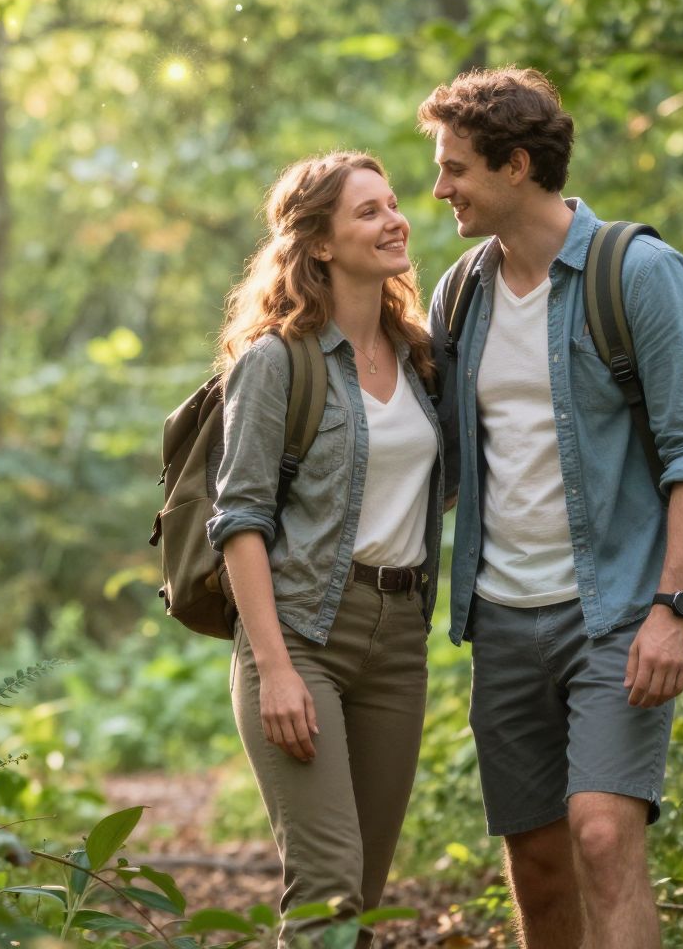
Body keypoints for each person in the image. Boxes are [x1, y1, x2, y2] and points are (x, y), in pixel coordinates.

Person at [421, 68, 683, 948]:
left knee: (602, 835)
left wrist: (672, 610)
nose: (440, 189)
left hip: (616, 612)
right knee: (538, 858)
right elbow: (436, 456)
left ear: (515, 166)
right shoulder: (463, 291)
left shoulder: (638, 272)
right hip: (503, 618)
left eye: (455, 169)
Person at [206, 150, 446, 940]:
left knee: (362, 897)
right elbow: (239, 520)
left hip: (400, 641)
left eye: (395, 203)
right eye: (368, 212)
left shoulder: (422, 358)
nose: (395, 219)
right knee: (327, 893)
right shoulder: (276, 362)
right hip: (303, 634)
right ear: (318, 244)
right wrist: (273, 668)